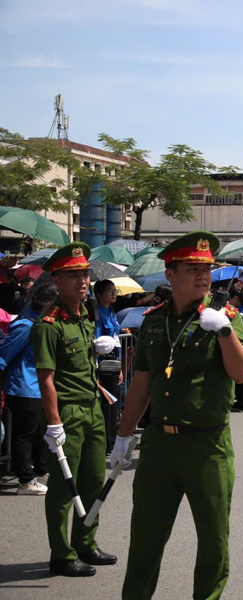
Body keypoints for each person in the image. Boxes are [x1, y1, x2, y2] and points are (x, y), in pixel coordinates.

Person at [112, 231, 243, 600]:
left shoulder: (227, 317)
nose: (203, 276)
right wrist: (123, 437)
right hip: (159, 444)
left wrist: (223, 332)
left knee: (212, 538)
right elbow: (141, 383)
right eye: (193, 269)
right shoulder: (154, 321)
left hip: (207, 445)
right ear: (170, 275)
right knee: (145, 537)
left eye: (207, 269)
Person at [31, 243, 117, 577]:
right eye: (73, 275)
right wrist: (54, 423)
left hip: (93, 408)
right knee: (64, 488)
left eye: (84, 274)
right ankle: (61, 553)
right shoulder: (48, 324)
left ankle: (86, 543)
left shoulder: (84, 316)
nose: (82, 281)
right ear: (56, 278)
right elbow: (46, 379)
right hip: (66, 413)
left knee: (94, 481)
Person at [0, 282, 58, 495]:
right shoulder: (26, 325)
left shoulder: (44, 323)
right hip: (23, 386)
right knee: (24, 435)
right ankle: (25, 480)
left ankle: (41, 470)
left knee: (38, 433)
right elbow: (4, 355)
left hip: (38, 386)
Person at [93, 279, 123, 454]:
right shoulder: (98, 313)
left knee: (114, 403)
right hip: (104, 364)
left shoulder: (111, 312)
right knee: (107, 402)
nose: (114, 294)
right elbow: (97, 342)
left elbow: (116, 338)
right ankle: (107, 442)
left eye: (115, 290)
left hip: (113, 363)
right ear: (99, 294)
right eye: (110, 291)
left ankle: (112, 439)